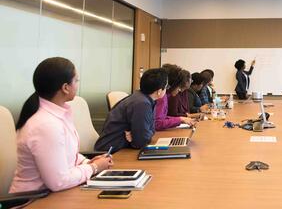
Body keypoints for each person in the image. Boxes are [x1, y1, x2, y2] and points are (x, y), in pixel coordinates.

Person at [9, 57, 113, 193]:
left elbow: (65, 154)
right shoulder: (45, 124)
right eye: (76, 81)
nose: (77, 84)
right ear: (65, 87)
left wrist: (87, 162)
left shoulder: (56, 115)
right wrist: (94, 168)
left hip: (53, 195)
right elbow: (59, 181)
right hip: (34, 200)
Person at [95, 68, 168, 153]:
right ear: (159, 91)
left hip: (120, 148)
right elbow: (141, 142)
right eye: (166, 87)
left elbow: (151, 130)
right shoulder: (142, 104)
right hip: (112, 152)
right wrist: (140, 136)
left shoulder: (143, 99)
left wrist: (137, 135)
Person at [155, 64, 196, 130]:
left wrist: (181, 119)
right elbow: (157, 123)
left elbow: (162, 117)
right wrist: (179, 119)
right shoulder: (161, 97)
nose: (180, 90)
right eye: (179, 87)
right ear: (171, 85)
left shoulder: (164, 95)